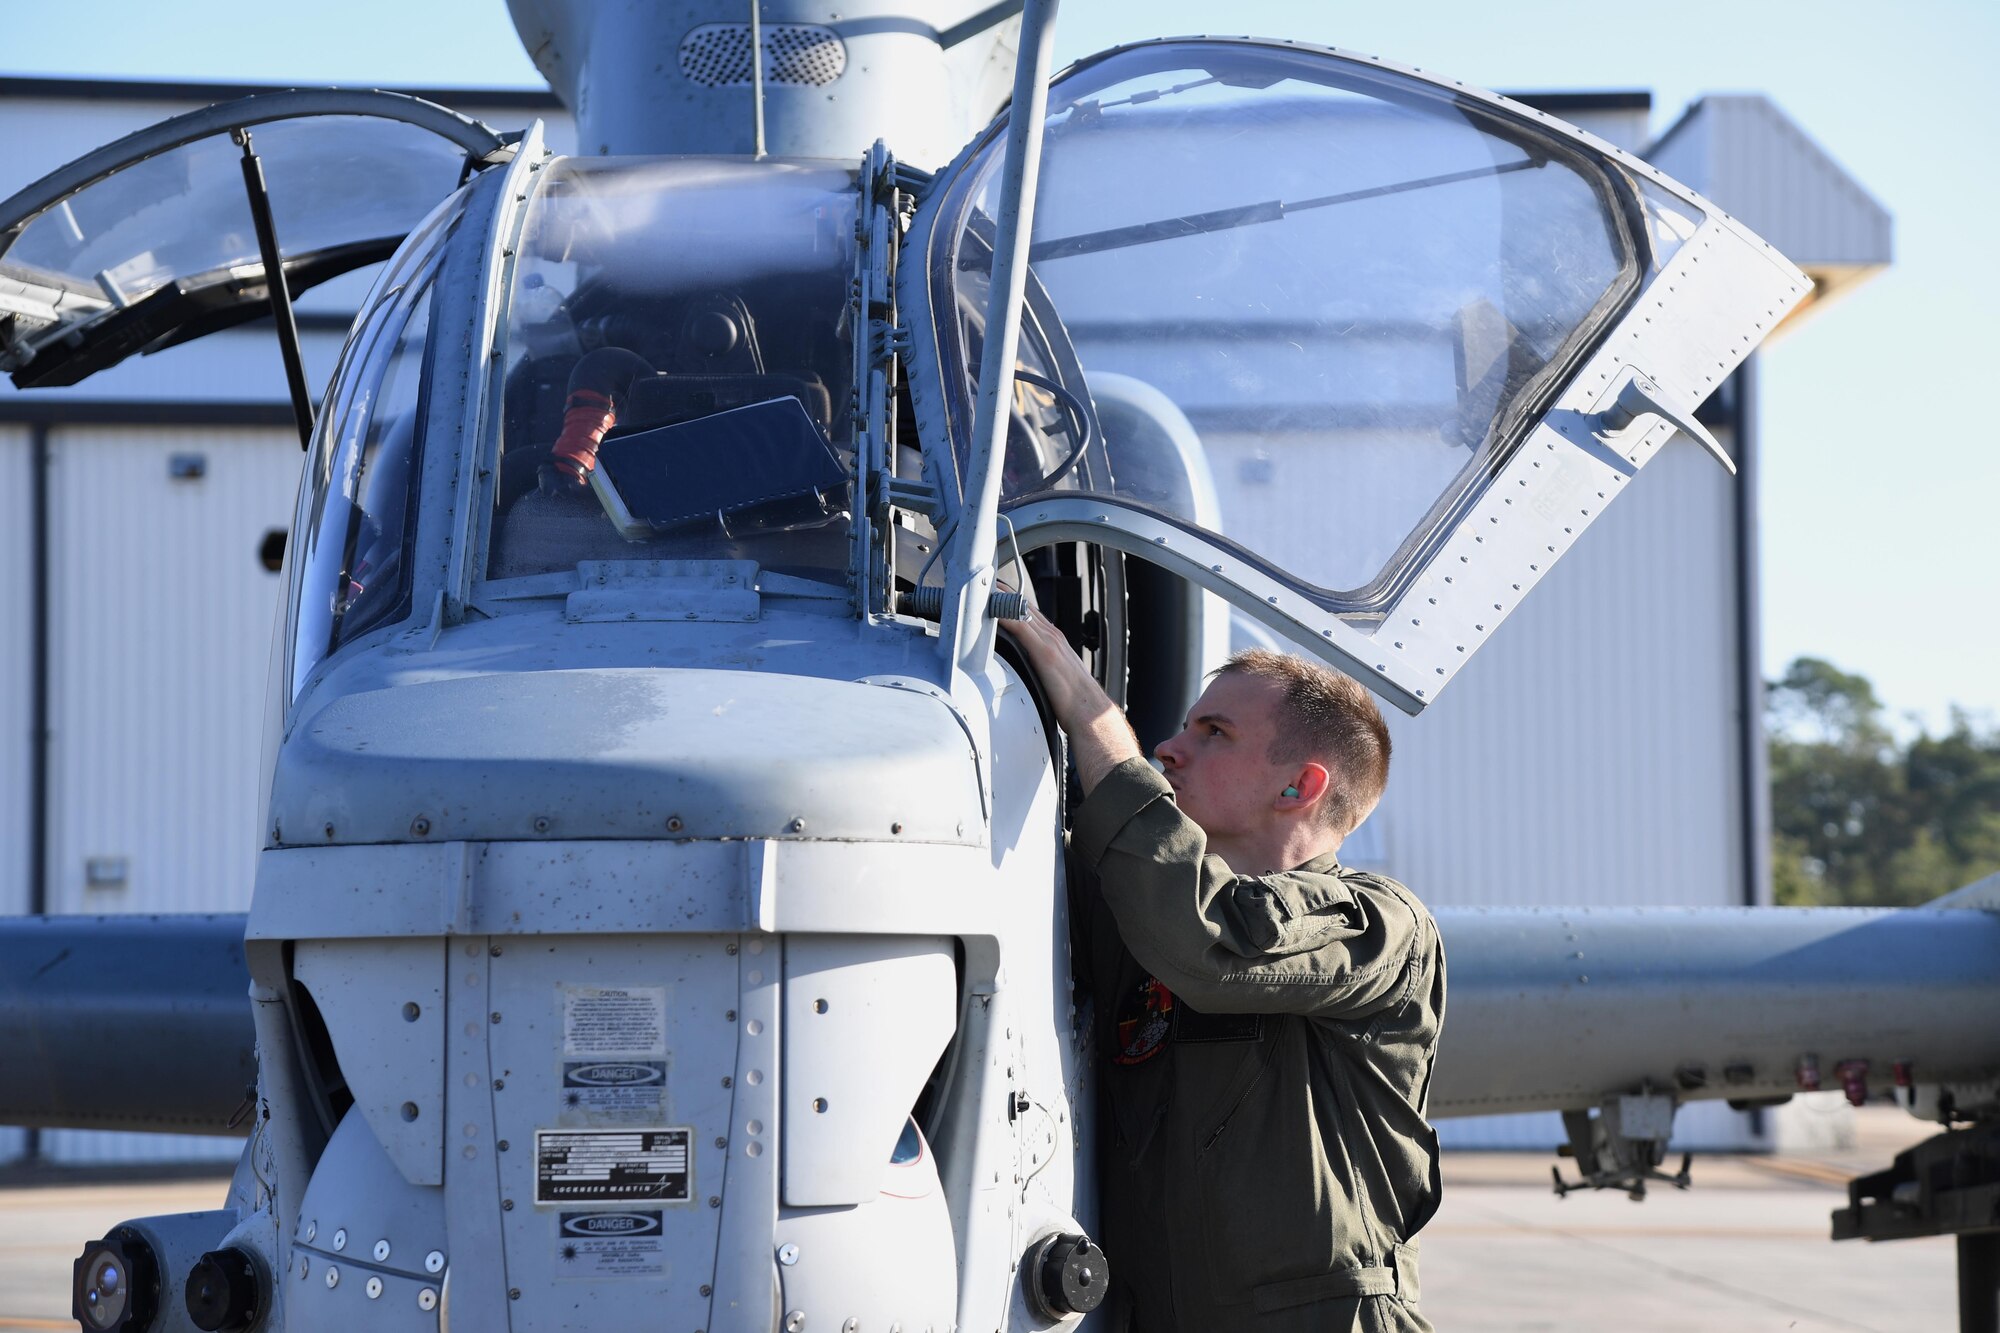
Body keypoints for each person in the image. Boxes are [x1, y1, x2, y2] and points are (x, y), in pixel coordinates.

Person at [1002, 609, 1445, 1333]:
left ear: (1298, 787)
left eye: (1215, 733)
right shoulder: (1139, 921)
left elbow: (1212, 935)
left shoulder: (1380, 928)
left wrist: (1092, 714)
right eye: (1183, 728)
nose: (1170, 749)